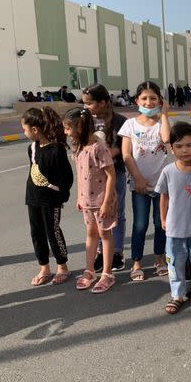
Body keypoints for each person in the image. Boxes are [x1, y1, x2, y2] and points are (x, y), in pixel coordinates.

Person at [156, 122, 191, 314]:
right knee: (175, 264)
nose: (184, 150)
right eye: (179, 146)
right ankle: (177, 295)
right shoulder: (168, 171)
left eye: (189, 145)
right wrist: (163, 219)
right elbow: (163, 196)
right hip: (174, 229)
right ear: (172, 149)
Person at [119, 81, 171, 281]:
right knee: (140, 225)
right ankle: (137, 262)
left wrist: (164, 114)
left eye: (153, 98)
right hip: (139, 185)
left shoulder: (161, 124)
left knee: (160, 224)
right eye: (144, 98)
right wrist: (138, 179)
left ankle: (159, 259)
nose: (149, 102)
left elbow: (166, 139)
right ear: (137, 100)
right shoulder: (129, 125)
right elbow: (126, 155)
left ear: (160, 100)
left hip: (161, 185)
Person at [63, 108, 117, 293]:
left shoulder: (98, 147)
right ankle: (90, 270)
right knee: (91, 233)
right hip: (87, 201)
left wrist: (106, 202)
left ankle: (107, 274)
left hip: (102, 200)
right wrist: (79, 196)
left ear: (79, 126)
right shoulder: (78, 147)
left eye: (68, 128)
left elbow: (111, 175)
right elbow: (80, 174)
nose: (66, 132)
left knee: (105, 235)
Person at [21, 107, 73, 286]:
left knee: (53, 231)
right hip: (33, 198)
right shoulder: (32, 148)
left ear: (35, 129)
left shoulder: (56, 150)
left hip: (51, 200)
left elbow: (66, 177)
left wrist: (62, 197)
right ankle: (44, 267)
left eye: (25, 129)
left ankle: (62, 266)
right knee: (36, 233)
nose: (24, 132)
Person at [82, 84, 128, 273]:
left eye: (89, 103)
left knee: (116, 213)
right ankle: (101, 252)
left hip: (114, 173)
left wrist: (106, 154)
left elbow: (124, 148)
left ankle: (117, 252)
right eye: (84, 103)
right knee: (97, 215)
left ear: (102, 103)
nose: (86, 107)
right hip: (92, 178)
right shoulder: (85, 121)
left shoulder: (119, 121)